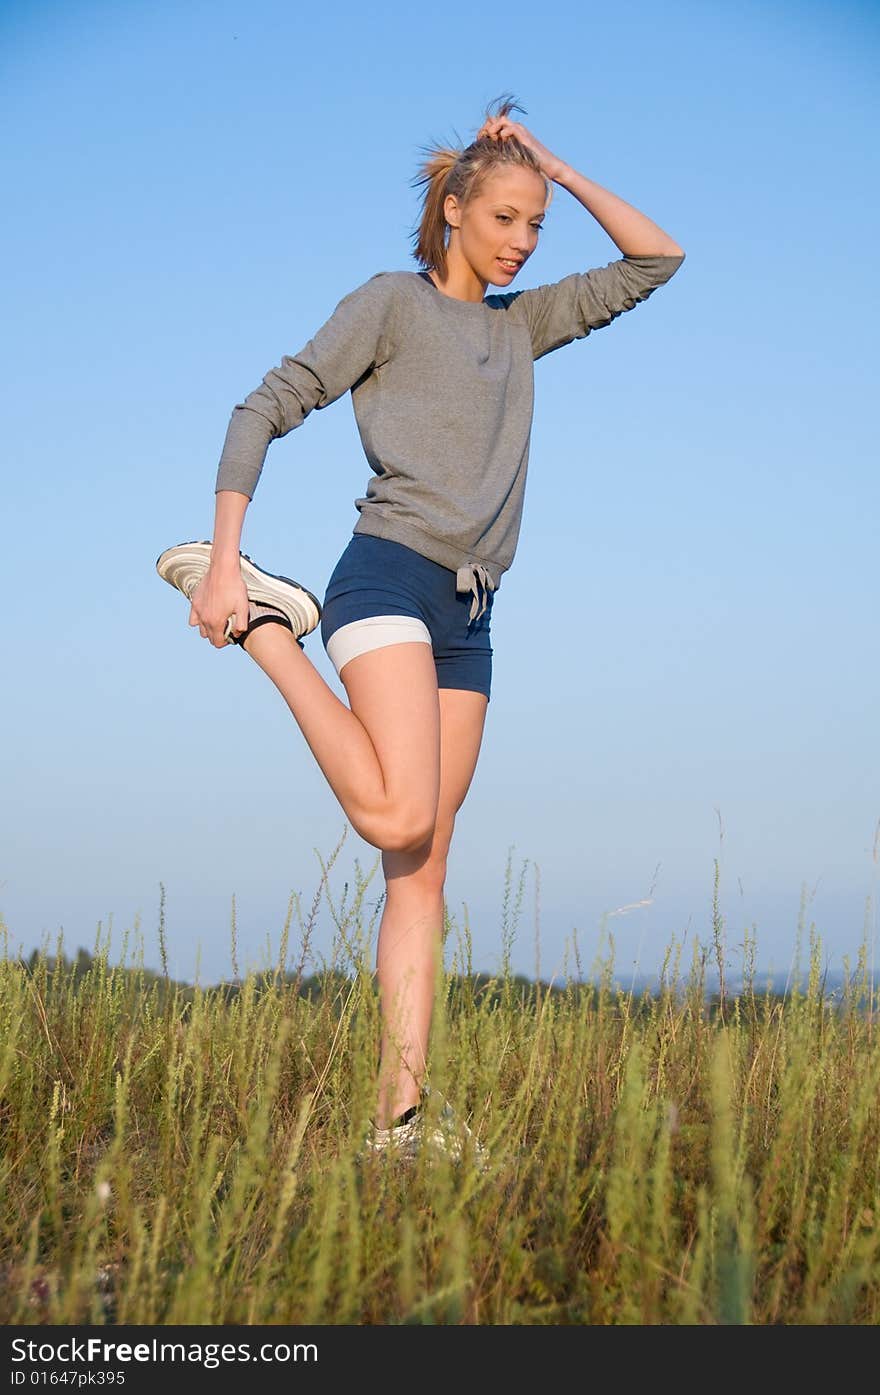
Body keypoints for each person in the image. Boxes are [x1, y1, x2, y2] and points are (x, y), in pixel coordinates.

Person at [157, 93, 685, 1166]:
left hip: (472, 614)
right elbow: (266, 404)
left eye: (535, 226)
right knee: (397, 819)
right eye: (504, 220)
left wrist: (561, 170)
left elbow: (654, 262)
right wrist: (223, 561)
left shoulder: (522, 324)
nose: (522, 242)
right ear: (453, 211)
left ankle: (397, 1121)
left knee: (422, 873)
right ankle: (271, 630)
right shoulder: (392, 305)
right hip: (386, 577)